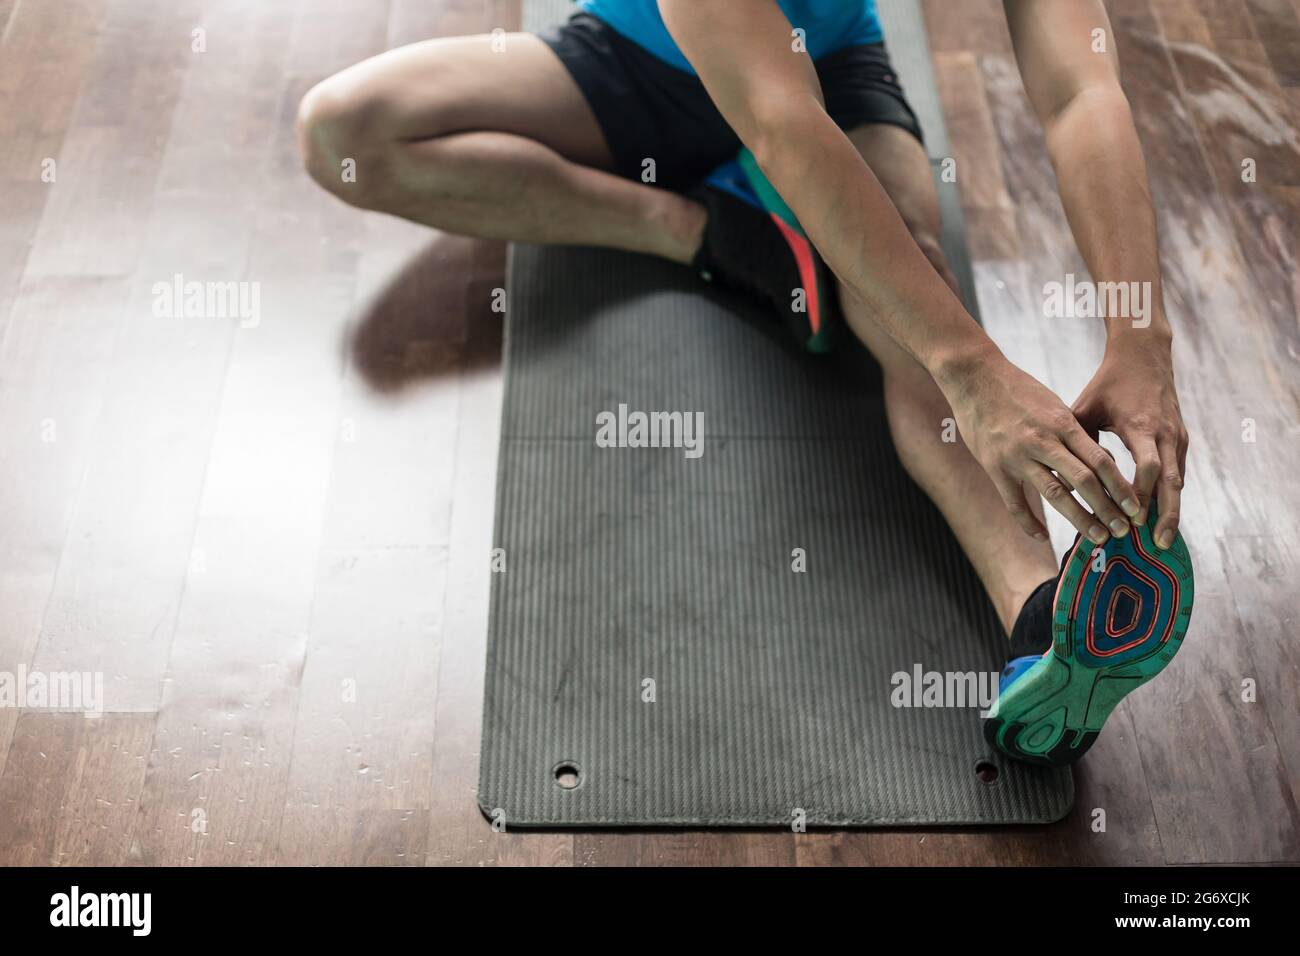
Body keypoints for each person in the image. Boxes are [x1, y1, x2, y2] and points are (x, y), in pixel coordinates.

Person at [296, 0, 1192, 765]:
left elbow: (1082, 90)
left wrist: (1140, 337)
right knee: (343, 131)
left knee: (915, 285)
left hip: (826, 67)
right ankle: (699, 228)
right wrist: (976, 372)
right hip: (642, 64)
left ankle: (1042, 620)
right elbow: (777, 121)